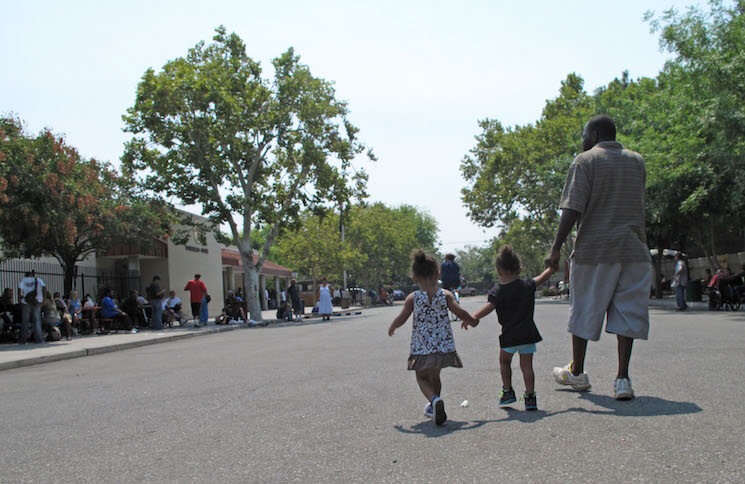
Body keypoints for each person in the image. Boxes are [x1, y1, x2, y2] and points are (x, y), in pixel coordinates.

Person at [545, 115, 651, 400]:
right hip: (633, 250)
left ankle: (577, 372)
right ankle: (622, 380)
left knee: (584, 310)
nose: (582, 140)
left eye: (584, 135)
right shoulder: (637, 161)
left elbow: (573, 207)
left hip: (595, 251)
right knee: (627, 314)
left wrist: (556, 247)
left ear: (593, 135)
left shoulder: (585, 161)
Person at [388, 250, 476, 426]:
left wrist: (393, 326)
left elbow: (402, 317)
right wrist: (472, 320)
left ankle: (434, 401)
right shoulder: (446, 295)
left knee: (421, 378)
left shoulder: (413, 298)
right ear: (438, 274)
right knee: (435, 377)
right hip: (442, 345)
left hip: (421, 347)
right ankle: (436, 402)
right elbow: (460, 312)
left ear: (414, 278)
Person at [466, 246, 555, 411]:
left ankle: (507, 392)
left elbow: (488, 307)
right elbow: (542, 278)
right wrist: (551, 268)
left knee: (504, 361)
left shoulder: (497, 291)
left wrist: (474, 317)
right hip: (528, 334)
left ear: (498, 270)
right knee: (527, 366)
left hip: (510, 336)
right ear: (519, 268)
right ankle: (530, 397)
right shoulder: (528, 285)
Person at [18, 271, 46, 344]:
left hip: (26, 301)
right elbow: (44, 288)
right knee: (37, 320)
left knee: (25, 321)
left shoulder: (23, 280)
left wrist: (19, 300)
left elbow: (20, 289)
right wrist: (43, 300)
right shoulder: (38, 280)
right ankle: (38, 339)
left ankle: (23, 339)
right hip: (37, 301)